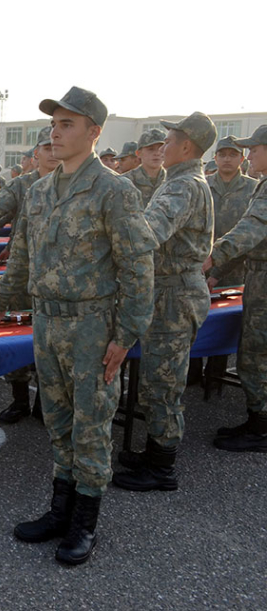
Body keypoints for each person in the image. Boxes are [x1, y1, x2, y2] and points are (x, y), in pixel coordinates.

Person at [0, 87, 154, 565]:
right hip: (47, 322)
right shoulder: (39, 191)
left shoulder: (115, 191)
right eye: (53, 124)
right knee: (57, 420)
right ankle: (60, 509)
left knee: (92, 425)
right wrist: (2, 303)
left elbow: (138, 268)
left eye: (67, 124)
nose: (55, 132)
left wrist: (125, 336)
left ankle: (85, 523)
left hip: (92, 327)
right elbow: (21, 255)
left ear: (94, 133)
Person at [112, 112, 217, 492]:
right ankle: (154, 452)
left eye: (168, 141)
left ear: (186, 146)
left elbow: (146, 233)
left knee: (163, 384)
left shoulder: (182, 186)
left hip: (174, 295)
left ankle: (162, 469)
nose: (163, 148)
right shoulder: (182, 181)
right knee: (157, 381)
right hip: (171, 291)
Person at [0, 126, 59, 423]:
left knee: (51, 344)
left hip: (56, 280)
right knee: (15, 336)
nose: (52, 153)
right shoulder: (23, 185)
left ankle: (45, 402)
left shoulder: (71, 184)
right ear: (35, 154)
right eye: (45, 147)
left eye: (55, 146)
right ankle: (19, 399)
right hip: (21, 275)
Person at [202, 124, 267, 453]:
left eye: (254, 149)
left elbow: (249, 230)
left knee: (257, 355)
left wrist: (212, 258)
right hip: (255, 273)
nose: (250, 154)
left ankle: (261, 428)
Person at [191, 136, 259, 392]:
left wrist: (218, 271)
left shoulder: (254, 188)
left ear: (241, 159)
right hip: (201, 266)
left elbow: (247, 236)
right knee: (198, 319)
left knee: (226, 324)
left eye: (233, 154)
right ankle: (193, 372)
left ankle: (216, 375)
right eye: (223, 154)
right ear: (215, 158)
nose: (228, 159)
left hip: (234, 270)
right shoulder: (204, 185)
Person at [124, 128, 167, 207]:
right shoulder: (125, 181)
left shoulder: (171, 181)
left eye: (161, 149)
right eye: (151, 149)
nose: (157, 153)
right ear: (138, 153)